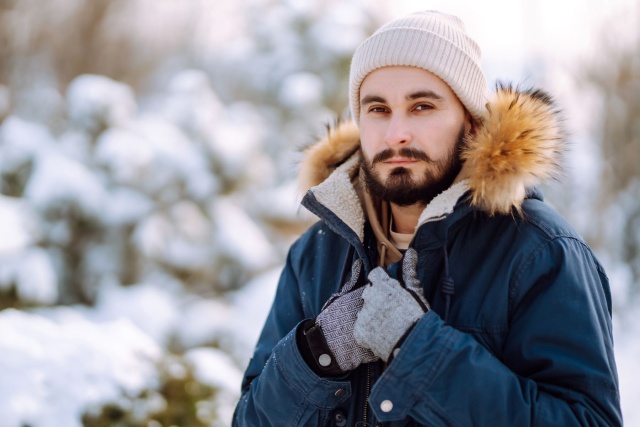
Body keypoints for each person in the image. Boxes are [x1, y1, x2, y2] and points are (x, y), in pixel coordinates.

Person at [233, 10, 622, 427]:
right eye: (378, 109)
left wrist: (418, 350)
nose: (396, 132)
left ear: (471, 125)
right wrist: (317, 352)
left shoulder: (539, 251)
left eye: (421, 106)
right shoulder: (317, 252)